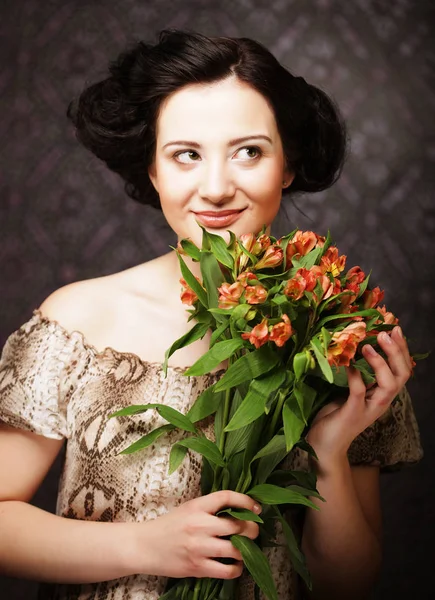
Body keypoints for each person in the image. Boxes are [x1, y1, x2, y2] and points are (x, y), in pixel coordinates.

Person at [0, 29, 423, 600]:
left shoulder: (339, 335)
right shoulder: (79, 321)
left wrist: (329, 451)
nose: (217, 187)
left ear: (288, 166)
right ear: (152, 171)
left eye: (249, 151)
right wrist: (146, 546)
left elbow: (346, 585)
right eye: (186, 155)